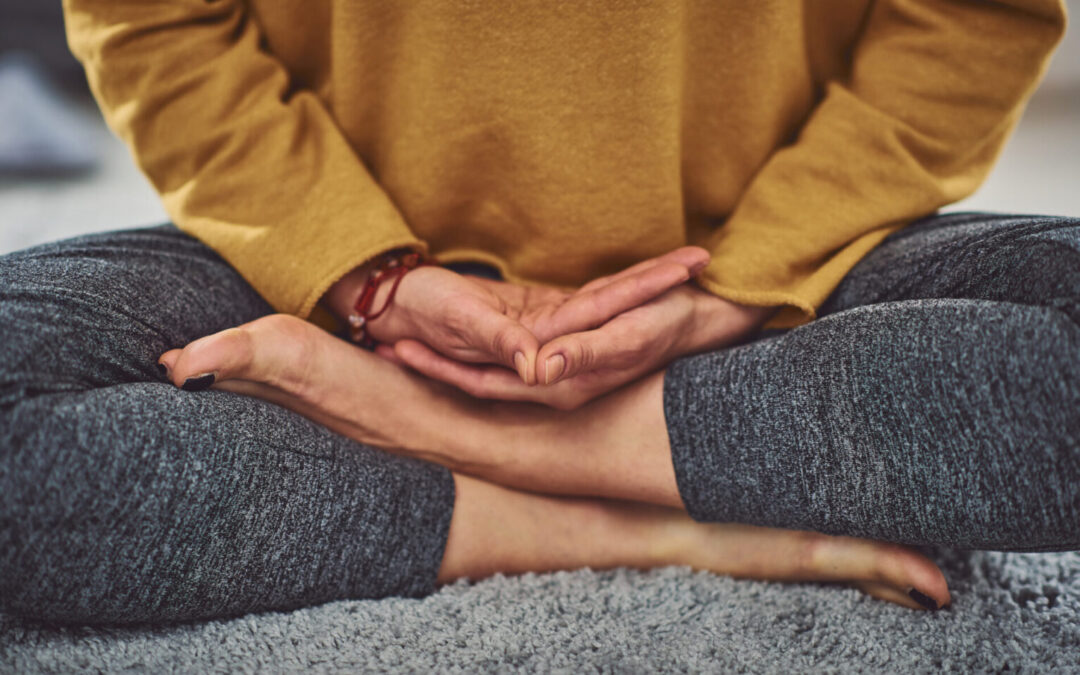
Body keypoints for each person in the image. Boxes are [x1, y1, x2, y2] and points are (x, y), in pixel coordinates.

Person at [1, 0, 1075, 624]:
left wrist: (743, 280)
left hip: (785, 275)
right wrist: (362, 275)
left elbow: (975, 16)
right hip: (333, 267)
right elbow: (152, 17)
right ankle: (637, 518)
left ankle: (452, 435)